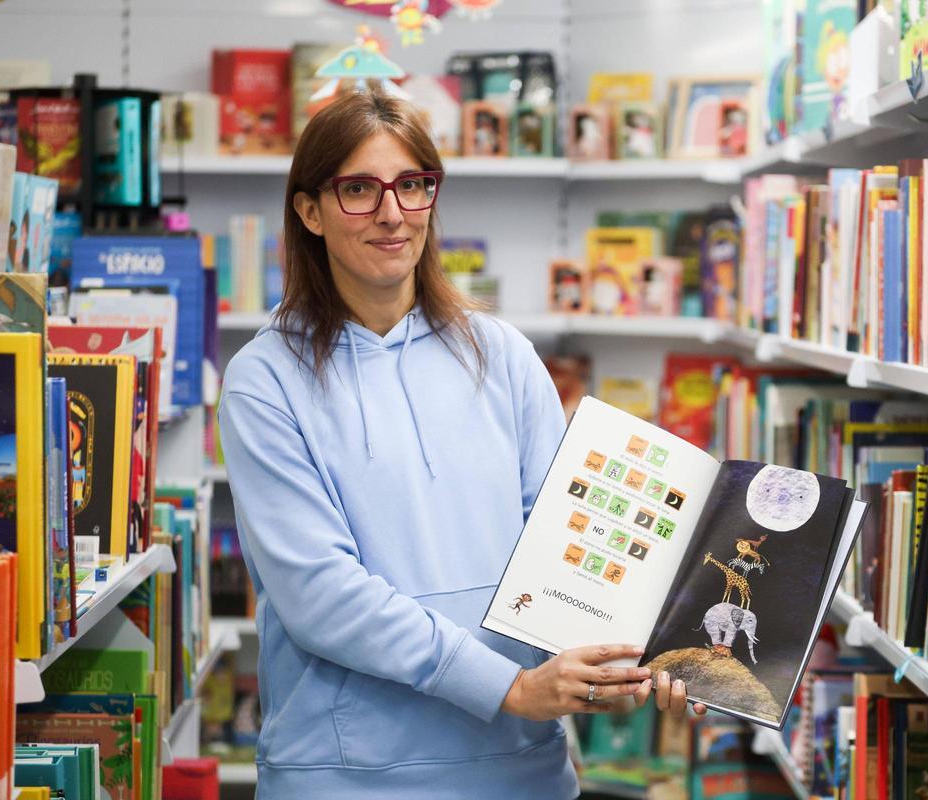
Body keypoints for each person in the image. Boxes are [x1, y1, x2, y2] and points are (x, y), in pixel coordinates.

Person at [217, 85, 705, 800]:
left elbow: (569, 545)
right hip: (345, 777)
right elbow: (320, 594)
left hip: (521, 770)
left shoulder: (502, 355)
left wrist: (636, 660)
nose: (392, 213)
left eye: (412, 185)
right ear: (309, 211)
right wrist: (507, 686)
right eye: (359, 189)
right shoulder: (265, 379)